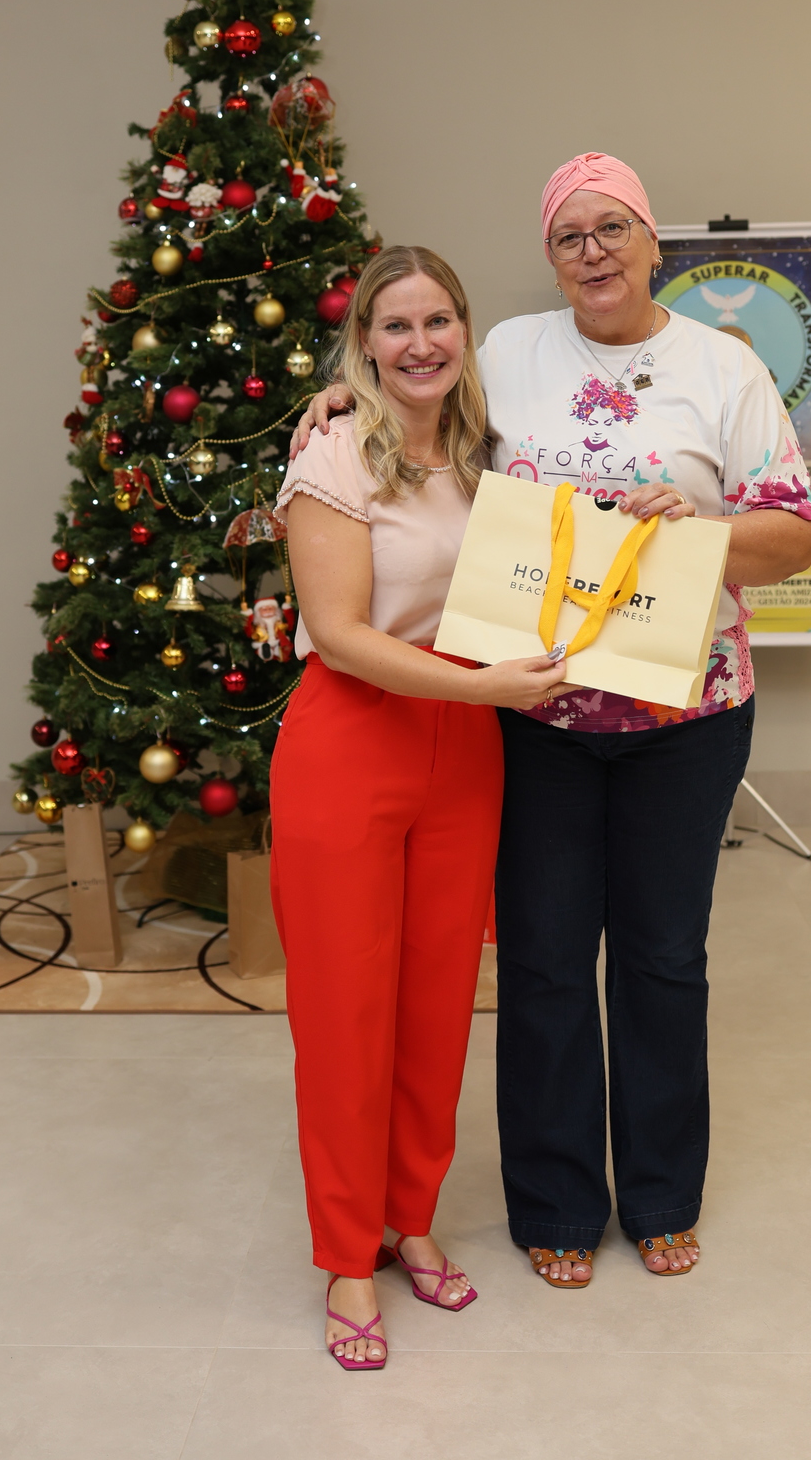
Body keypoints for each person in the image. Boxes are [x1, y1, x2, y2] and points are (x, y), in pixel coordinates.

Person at [290, 153, 811, 1286]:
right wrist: (336, 399)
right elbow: (411, 391)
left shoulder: (723, 368)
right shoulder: (509, 353)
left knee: (663, 960)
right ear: (550, 255)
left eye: (613, 227)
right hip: (533, 720)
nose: (594, 251)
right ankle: (556, 1207)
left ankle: (663, 1195)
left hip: (688, 713)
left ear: (653, 240)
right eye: (570, 234)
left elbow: (792, 537)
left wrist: (701, 526)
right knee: (540, 963)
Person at [270, 245, 569, 1370]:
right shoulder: (337, 451)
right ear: (364, 341)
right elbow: (340, 633)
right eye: (395, 325)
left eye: (438, 320)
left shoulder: (490, 456)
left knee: (438, 1007)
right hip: (354, 740)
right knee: (347, 1015)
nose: (420, 344)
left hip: (464, 754)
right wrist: (485, 691)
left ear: (464, 330)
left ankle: (410, 1218)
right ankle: (348, 1256)